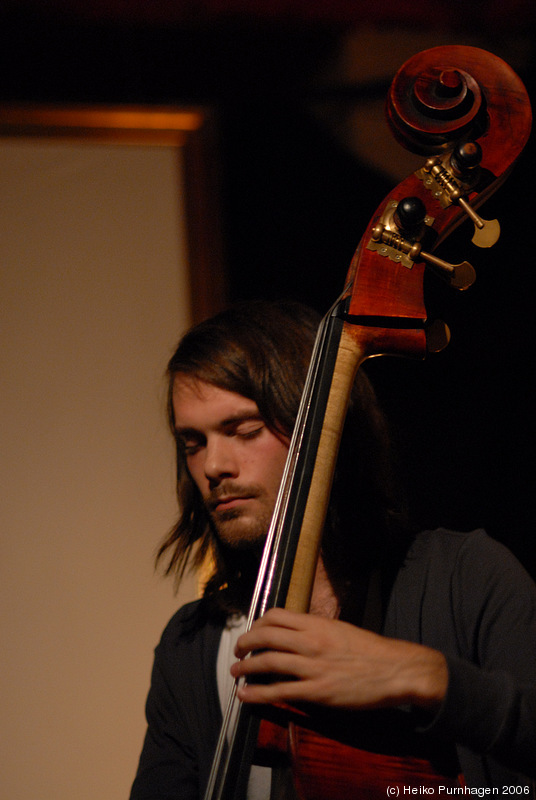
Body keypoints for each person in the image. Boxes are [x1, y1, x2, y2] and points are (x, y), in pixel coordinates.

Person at [130, 300, 536, 800]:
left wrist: (426, 675)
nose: (213, 466)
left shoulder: (468, 578)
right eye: (193, 442)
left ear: (323, 430)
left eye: (243, 430)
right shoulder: (191, 647)